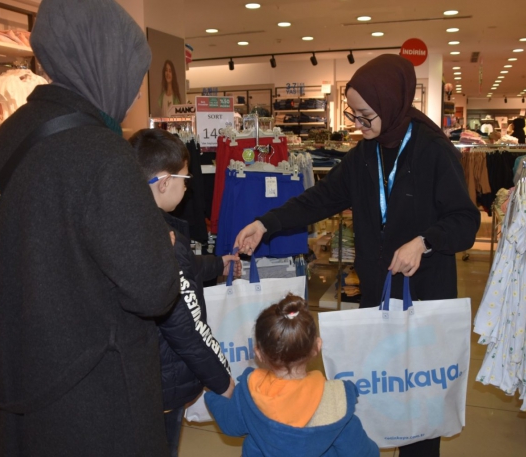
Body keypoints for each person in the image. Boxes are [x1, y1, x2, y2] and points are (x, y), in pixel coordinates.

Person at [234, 54, 480, 457]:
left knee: (419, 397)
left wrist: (425, 240)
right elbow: (322, 198)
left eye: (366, 115)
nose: (358, 124)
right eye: (354, 114)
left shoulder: (433, 150)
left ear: (390, 103)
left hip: (425, 297)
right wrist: (267, 223)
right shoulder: (364, 154)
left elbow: (465, 220)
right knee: (383, 393)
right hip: (378, 294)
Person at [0, 1, 180, 455]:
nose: (133, 95)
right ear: (100, 62)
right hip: (98, 389)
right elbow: (154, 289)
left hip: (27, 372)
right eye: (131, 76)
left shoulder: (10, 135)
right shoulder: (102, 153)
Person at [129, 128, 239, 456]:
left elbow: (185, 267)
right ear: (164, 182)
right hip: (163, 380)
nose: (187, 186)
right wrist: (224, 381)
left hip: (133, 376)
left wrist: (218, 264)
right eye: (185, 178)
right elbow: (188, 328)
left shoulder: (127, 225)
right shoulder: (162, 243)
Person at [205, 294, 380, 457]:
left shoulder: (250, 391)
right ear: (317, 346)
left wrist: (213, 396)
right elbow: (363, 452)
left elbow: (230, 424)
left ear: (259, 353)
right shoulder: (336, 402)